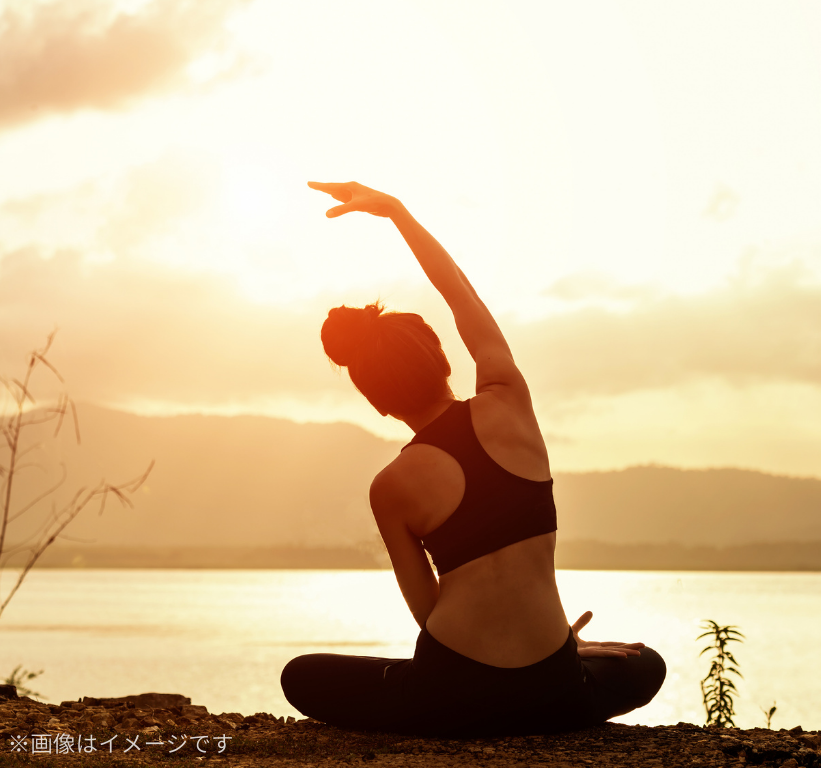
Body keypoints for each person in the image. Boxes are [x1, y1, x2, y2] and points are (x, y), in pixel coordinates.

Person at [280, 181, 665, 737]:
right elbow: (461, 295)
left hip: (452, 699)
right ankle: (559, 669)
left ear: (378, 403)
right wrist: (396, 212)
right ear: (442, 358)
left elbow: (429, 613)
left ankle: (471, 698)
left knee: (303, 676)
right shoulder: (510, 401)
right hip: (553, 689)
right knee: (644, 662)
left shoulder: (390, 488)